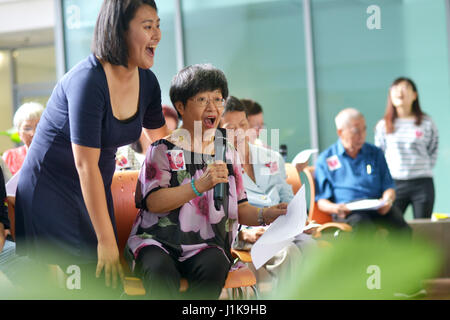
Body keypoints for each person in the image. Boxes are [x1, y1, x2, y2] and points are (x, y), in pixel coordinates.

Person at [14, 0, 169, 293]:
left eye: (158, 25)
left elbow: (163, 141)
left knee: (104, 285)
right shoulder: (87, 81)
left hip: (94, 189)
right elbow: (84, 164)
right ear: (119, 31)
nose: (157, 35)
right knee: (83, 283)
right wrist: (107, 240)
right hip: (52, 190)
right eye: (148, 26)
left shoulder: (147, 82)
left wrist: (203, 140)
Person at [125, 64, 287, 299]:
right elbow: (154, 202)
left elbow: (241, 208)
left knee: (215, 264)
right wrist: (198, 186)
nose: (213, 107)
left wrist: (266, 214)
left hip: (207, 245)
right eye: (202, 99)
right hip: (157, 242)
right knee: (160, 271)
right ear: (180, 106)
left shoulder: (228, 150)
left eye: (218, 99)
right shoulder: (161, 150)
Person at [221, 96, 307, 289]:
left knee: (313, 248)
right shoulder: (216, 166)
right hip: (248, 233)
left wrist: (298, 217)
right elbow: (218, 215)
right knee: (288, 253)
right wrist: (243, 235)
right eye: (231, 128)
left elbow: (286, 195)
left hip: (281, 226)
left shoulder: (270, 157)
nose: (240, 132)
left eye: (243, 124)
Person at [315, 108, 411, 237]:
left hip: (377, 208)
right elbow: (322, 201)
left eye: (364, 129)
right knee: (364, 227)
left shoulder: (375, 153)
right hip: (349, 212)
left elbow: (389, 187)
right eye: (356, 131)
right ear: (340, 132)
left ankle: (402, 257)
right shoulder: (326, 159)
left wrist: (387, 200)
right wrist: (336, 208)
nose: (362, 135)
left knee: (402, 228)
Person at [375, 78, 439, 219]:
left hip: (422, 182)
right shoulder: (383, 125)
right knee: (393, 229)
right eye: (395, 88)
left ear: (414, 95)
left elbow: (433, 149)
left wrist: (422, 166)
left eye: (404, 88)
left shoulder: (427, 122)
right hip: (394, 184)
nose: (399, 92)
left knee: (423, 229)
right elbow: (380, 154)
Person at [2, 102, 44, 176]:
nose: (33, 133)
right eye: (27, 128)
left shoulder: (54, 155)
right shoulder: (10, 157)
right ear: (19, 133)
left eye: (39, 127)